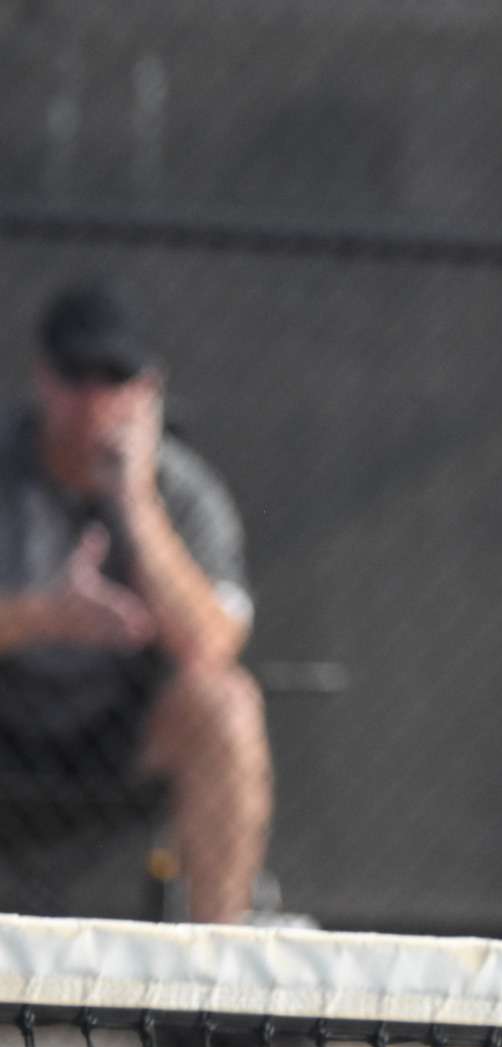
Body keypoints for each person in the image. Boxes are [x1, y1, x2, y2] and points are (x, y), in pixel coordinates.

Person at [0, 279, 272, 926]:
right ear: (43, 378)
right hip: (8, 731)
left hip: (122, 742)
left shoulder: (184, 492)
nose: (93, 401)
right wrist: (47, 615)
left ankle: (217, 990)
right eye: (75, 377)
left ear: (149, 390)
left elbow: (211, 645)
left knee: (226, 704)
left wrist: (136, 503)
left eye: (114, 379)